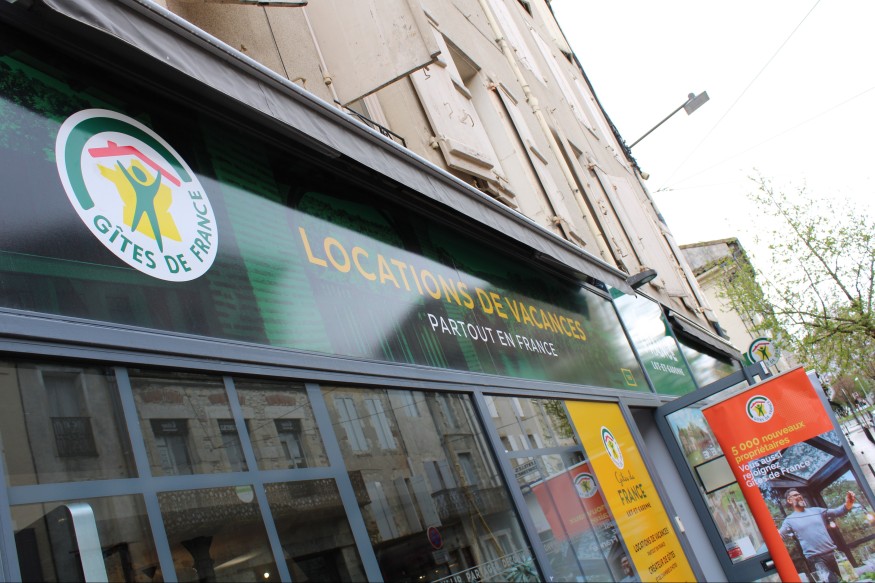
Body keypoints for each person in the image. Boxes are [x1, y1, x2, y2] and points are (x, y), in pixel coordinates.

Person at [778, 488, 856, 582]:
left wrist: (849, 502)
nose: (799, 496)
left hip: (833, 553)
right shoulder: (789, 520)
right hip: (816, 559)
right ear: (789, 500)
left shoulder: (817, 511)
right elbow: (779, 536)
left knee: (851, 579)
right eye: (795, 495)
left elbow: (838, 511)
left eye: (799, 494)